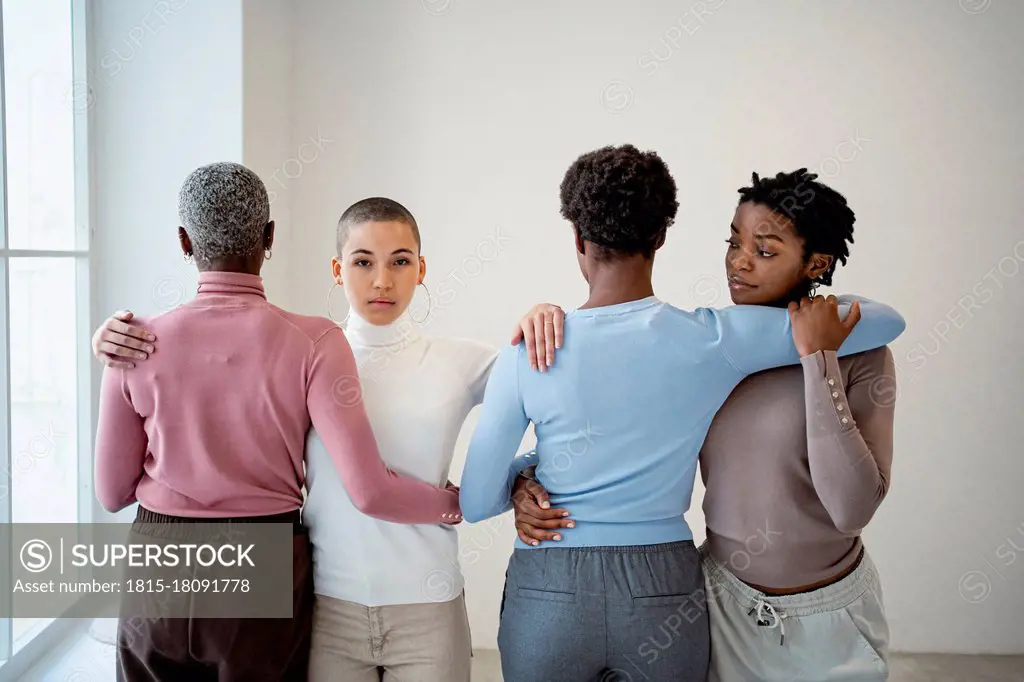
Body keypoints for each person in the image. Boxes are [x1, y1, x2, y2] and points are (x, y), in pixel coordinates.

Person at [458, 147, 905, 682]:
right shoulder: (714, 340)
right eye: (736, 244)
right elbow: (879, 320)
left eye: (761, 250)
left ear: (577, 238)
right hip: (663, 586)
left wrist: (527, 474)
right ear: (661, 238)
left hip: (551, 581)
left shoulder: (526, 352)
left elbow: (476, 500)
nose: (741, 260)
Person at [92, 196, 541, 681]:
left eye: (400, 261)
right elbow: (368, 490)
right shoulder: (308, 346)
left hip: (425, 599)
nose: (382, 280)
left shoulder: (457, 360)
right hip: (327, 599)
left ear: (421, 268)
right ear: (335, 268)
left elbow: (555, 403)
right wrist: (461, 505)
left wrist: (515, 480)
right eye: (363, 262)